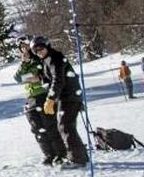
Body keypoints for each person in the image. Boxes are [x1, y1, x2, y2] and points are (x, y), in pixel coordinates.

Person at [30, 36, 89, 167]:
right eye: (35, 51)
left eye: (40, 48)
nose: (39, 52)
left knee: (65, 126)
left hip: (69, 96)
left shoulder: (54, 58)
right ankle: (80, 156)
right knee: (66, 125)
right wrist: (40, 79)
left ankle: (77, 159)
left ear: (47, 46)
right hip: (68, 96)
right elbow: (51, 79)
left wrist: (50, 99)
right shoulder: (48, 60)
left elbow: (58, 80)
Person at [13, 37, 67, 165]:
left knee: (50, 126)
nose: (24, 49)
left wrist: (32, 78)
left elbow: (41, 76)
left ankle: (60, 153)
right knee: (37, 128)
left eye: (26, 46)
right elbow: (18, 78)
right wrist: (24, 64)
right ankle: (49, 154)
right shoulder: (26, 62)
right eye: (21, 48)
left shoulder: (39, 58)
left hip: (43, 94)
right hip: (31, 97)